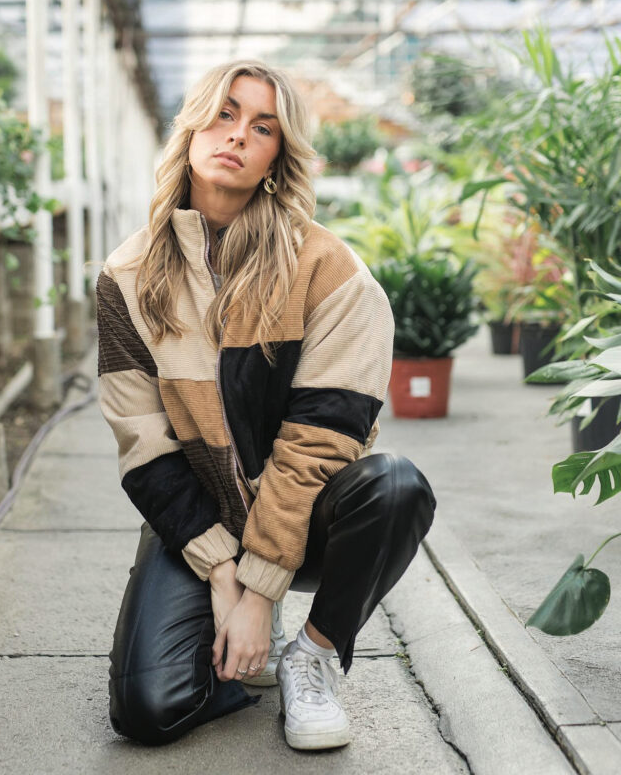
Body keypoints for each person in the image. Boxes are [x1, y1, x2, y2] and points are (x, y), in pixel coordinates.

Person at [96, 59, 437, 751]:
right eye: (224, 114)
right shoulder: (126, 278)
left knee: (396, 485)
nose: (238, 136)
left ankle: (310, 655)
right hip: (199, 517)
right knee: (146, 710)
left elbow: (322, 440)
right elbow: (145, 446)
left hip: (307, 518)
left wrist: (260, 591)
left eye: (263, 127)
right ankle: (229, 641)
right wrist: (222, 572)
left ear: (278, 156)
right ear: (191, 127)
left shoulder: (330, 272)